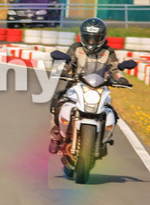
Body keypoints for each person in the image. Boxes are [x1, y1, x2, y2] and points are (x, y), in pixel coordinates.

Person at [49, 17, 130, 153]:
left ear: (103, 38)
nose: (92, 41)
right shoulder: (76, 48)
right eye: (89, 38)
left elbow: (114, 68)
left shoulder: (108, 52)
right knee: (58, 100)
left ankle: (105, 139)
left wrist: (121, 79)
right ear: (82, 36)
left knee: (112, 112)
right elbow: (69, 63)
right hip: (76, 84)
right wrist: (63, 72)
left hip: (100, 86)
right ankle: (56, 135)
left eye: (96, 38)